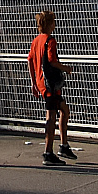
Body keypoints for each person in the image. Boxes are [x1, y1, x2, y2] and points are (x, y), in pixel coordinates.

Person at [30, 9, 75, 165]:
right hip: (50, 84)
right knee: (52, 116)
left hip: (42, 82)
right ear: (49, 24)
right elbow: (52, 61)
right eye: (53, 22)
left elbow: (30, 60)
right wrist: (66, 68)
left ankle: (63, 145)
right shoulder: (50, 40)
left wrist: (34, 82)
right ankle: (48, 152)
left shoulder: (36, 41)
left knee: (64, 110)